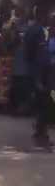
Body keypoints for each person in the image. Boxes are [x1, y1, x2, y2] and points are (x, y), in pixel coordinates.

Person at [29, 12, 54, 151]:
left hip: (50, 78)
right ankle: (40, 135)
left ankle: (42, 134)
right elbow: (40, 60)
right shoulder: (45, 39)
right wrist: (38, 80)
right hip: (46, 79)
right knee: (45, 105)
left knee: (48, 106)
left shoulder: (47, 38)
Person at [0, 14, 18, 111]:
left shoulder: (12, 23)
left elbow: (13, 39)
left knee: (5, 81)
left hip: (7, 56)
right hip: (2, 56)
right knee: (0, 81)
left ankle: (3, 104)